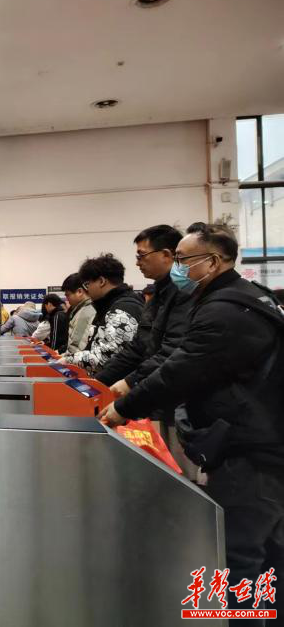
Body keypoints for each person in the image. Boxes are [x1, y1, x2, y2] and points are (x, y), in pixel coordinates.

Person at [99, 223, 284, 620]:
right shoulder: (243, 297)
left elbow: (182, 368)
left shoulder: (225, 310)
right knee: (267, 549)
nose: (178, 267)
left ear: (213, 262)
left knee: (240, 552)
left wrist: (125, 406)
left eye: (183, 260)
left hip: (252, 449)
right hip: (258, 437)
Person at [95, 225, 191, 399]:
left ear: (166, 255)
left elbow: (172, 351)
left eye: (141, 255)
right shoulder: (157, 294)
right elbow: (138, 347)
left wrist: (131, 382)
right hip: (152, 386)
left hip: (172, 393)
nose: (137, 263)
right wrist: (97, 382)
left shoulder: (185, 293)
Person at [59, 254, 142, 374]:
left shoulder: (123, 309)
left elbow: (106, 358)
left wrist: (68, 360)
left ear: (102, 281)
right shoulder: (108, 306)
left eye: (87, 284)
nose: (87, 290)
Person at [61, 273, 95, 354]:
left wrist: (65, 358)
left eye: (68, 295)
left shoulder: (85, 312)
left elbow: (76, 348)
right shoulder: (88, 308)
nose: (67, 299)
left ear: (79, 292)